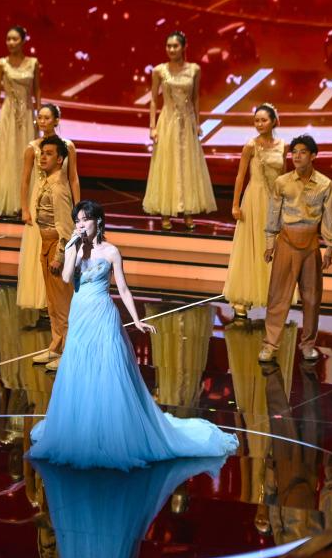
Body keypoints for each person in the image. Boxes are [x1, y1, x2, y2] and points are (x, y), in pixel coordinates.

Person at [27, 200, 238, 470]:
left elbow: (124, 289)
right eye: (77, 220)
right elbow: (67, 278)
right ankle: (84, 429)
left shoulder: (111, 252)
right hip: (79, 316)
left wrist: (137, 320)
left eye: (85, 219)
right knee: (80, 369)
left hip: (103, 315)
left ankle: (111, 433)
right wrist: (71, 248)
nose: (80, 224)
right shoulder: (74, 248)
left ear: (98, 221)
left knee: (107, 371)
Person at [259, 134, 332, 363]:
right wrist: (269, 243)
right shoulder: (282, 182)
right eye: (294, 152)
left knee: (312, 298)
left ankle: (308, 344)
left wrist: (330, 248)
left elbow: (331, 217)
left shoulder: (325, 184)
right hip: (286, 241)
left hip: (311, 243)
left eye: (303, 152)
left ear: (313, 156)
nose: (297, 156)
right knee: (278, 295)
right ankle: (270, 344)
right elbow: (273, 213)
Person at [143, 31, 216, 230]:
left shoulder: (194, 69)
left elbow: (196, 98)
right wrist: (152, 127)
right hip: (167, 122)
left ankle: (188, 211)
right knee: (167, 164)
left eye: (175, 46)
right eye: (168, 46)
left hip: (187, 121)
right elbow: (153, 99)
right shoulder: (159, 70)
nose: (171, 49)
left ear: (184, 47)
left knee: (187, 165)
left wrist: (198, 123)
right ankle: (166, 212)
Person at [223, 103, 286, 318]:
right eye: (256, 120)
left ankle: (272, 295)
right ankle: (242, 298)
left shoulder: (283, 146)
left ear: (273, 121)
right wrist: (235, 204)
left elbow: (285, 177)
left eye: (264, 120)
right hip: (254, 200)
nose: (259, 124)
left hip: (274, 201)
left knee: (272, 247)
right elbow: (240, 176)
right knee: (250, 247)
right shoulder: (250, 145)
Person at [17, 104, 79, 319]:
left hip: (60, 200)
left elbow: (73, 178)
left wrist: (78, 206)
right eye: (40, 118)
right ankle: (44, 300)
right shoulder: (32, 148)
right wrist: (25, 208)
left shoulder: (68, 146)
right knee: (39, 250)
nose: (42, 122)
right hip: (40, 202)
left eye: (46, 118)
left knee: (60, 246)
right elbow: (25, 180)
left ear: (56, 120)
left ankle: (61, 298)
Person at [0, 26, 40, 217]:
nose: (10, 42)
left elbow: (37, 91)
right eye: (8, 39)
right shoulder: (1, 64)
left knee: (25, 154)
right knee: (7, 155)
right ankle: (8, 202)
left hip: (27, 113)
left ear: (23, 41)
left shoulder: (33, 63)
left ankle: (25, 203)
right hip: (8, 113)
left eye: (15, 39)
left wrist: (39, 115)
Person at [35, 136, 75, 369]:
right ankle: (57, 344)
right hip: (45, 244)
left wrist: (59, 256)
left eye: (49, 154)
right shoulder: (47, 181)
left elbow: (66, 228)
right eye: (42, 153)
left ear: (60, 159)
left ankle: (69, 350)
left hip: (56, 248)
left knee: (62, 303)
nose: (43, 157)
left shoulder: (59, 187)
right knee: (52, 302)